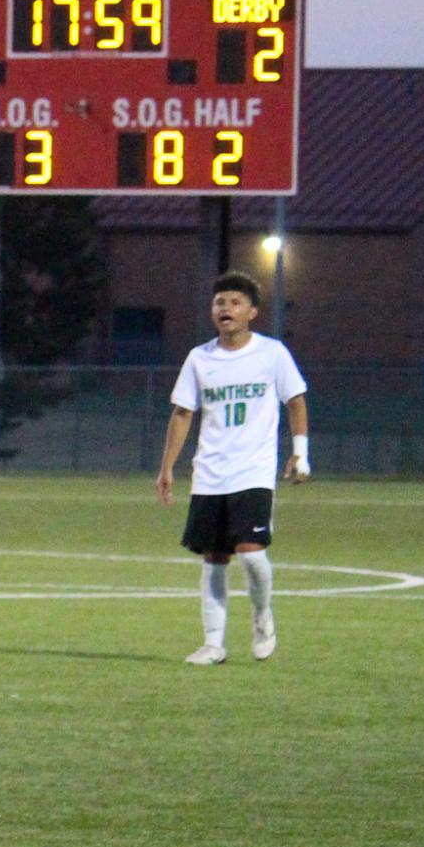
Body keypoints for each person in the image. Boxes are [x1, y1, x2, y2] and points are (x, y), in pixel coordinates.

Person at [155, 270, 310, 666]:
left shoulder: (272, 353)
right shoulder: (199, 358)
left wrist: (300, 452)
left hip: (254, 471)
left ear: (252, 312)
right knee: (214, 559)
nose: (226, 309)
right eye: (219, 302)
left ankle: (261, 616)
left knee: (252, 553)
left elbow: (295, 400)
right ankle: (213, 643)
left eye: (235, 302)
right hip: (209, 473)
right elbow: (182, 413)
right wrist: (167, 467)